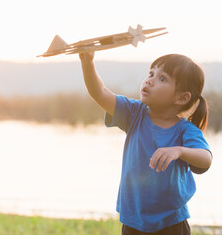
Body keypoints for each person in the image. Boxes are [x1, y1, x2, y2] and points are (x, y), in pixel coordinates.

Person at [79, 52, 212, 235]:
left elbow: (205, 159)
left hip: (171, 223)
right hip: (133, 220)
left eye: (162, 78)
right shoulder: (133, 113)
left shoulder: (185, 130)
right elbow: (99, 92)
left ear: (182, 98)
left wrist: (179, 151)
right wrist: (87, 62)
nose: (150, 80)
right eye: (151, 74)